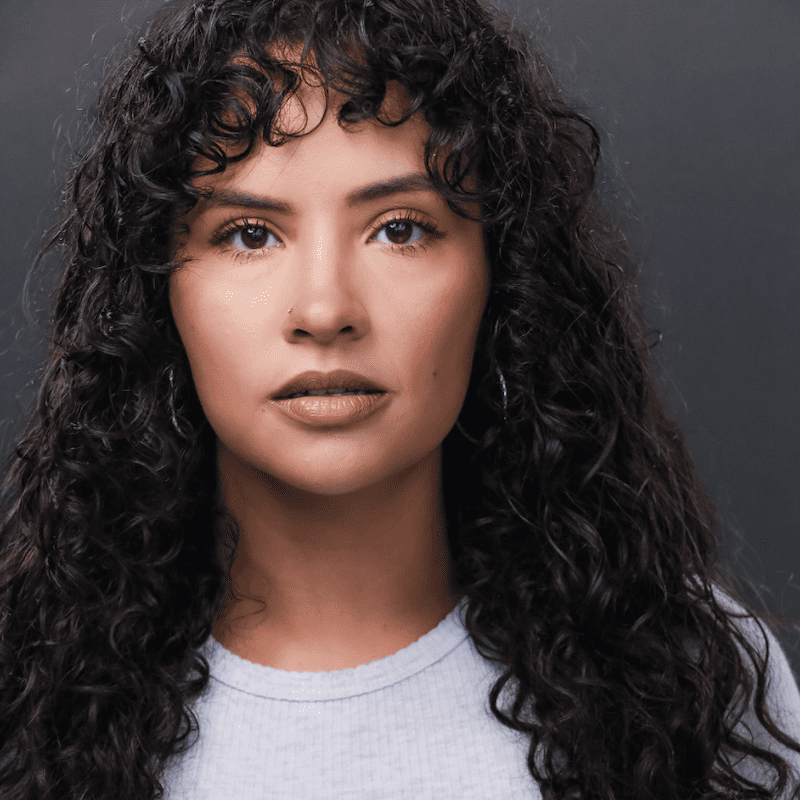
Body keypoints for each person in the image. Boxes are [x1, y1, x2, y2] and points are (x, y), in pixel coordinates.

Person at [0, 0, 798, 798]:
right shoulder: (23, 699)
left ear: (504, 279)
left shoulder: (698, 685)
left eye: (399, 228)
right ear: (156, 294)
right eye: (248, 233)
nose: (324, 309)